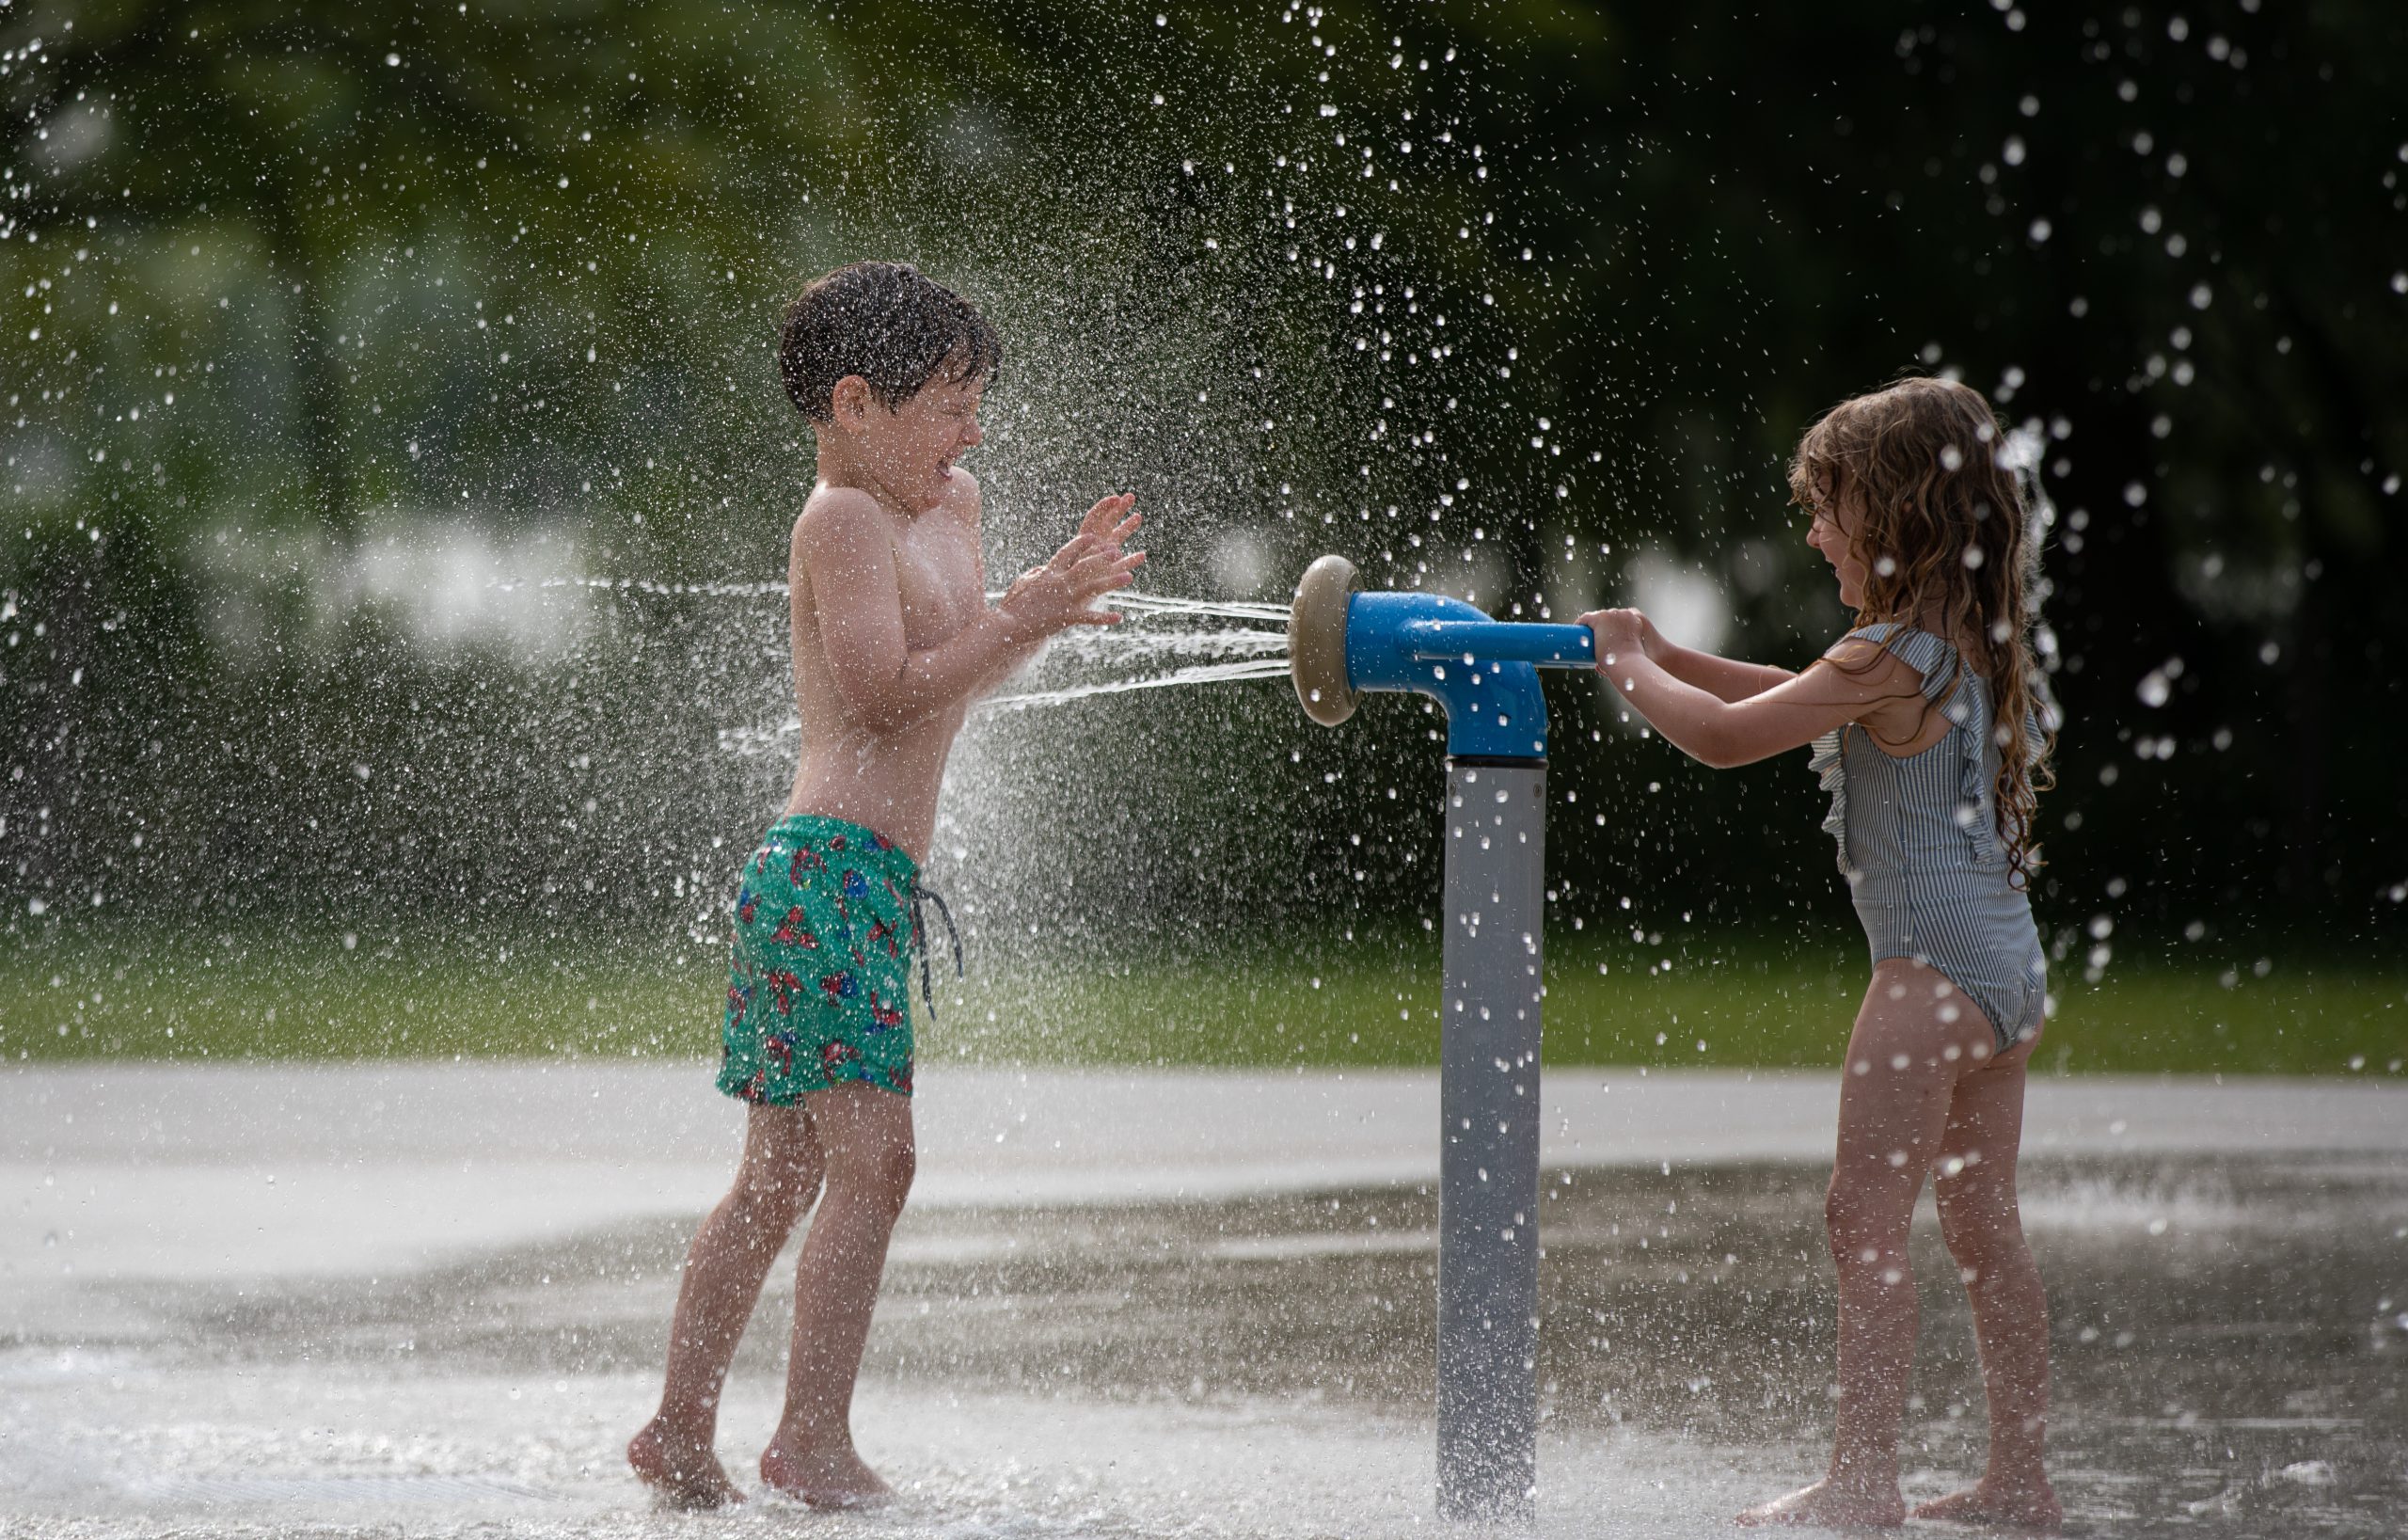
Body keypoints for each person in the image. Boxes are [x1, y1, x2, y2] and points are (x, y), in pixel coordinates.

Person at [626, 261, 1144, 1510]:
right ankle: (808, 1439)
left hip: (864, 884)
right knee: (871, 1162)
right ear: (856, 405)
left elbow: (955, 680)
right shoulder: (838, 523)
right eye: (950, 403)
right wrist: (1025, 612)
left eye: (977, 399)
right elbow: (880, 689)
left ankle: (680, 1432)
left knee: (786, 1176)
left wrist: (1041, 615)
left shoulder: (951, 502)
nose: (972, 429)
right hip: (819, 875)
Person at [1578, 375, 2062, 1532]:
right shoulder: (1958, 638)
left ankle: (1860, 1481)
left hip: (1926, 969)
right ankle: (2020, 1481)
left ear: (1891, 513)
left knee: (1862, 1213)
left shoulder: (1888, 647)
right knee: (1982, 1223)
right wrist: (1665, 648)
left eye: (1826, 507)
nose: (1810, 531)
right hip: (2003, 969)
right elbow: (1794, 697)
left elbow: (1730, 738)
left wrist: (1622, 664)